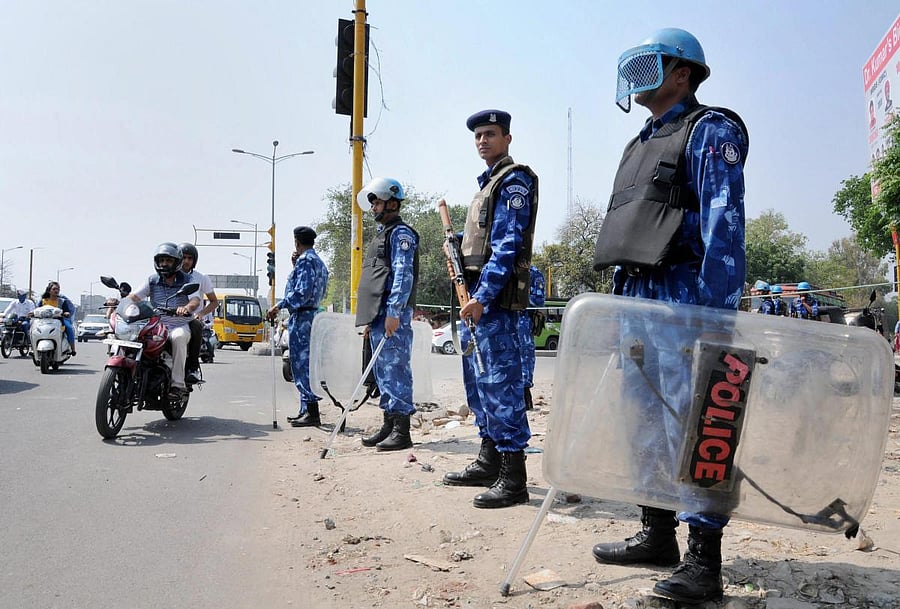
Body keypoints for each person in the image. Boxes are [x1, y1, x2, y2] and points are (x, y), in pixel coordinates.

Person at [590, 28, 749, 604]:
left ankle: (705, 562)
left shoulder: (710, 131)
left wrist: (714, 322)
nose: (635, 77)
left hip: (686, 299)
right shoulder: (639, 143)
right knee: (644, 423)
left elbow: (723, 232)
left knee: (700, 427)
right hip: (638, 300)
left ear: (682, 72)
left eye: (650, 64)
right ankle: (657, 534)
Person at [442, 109, 539, 509]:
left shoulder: (512, 181)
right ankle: (489, 460)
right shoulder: (486, 186)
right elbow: (481, 242)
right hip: (477, 301)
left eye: (490, 134)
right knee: (479, 385)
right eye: (478, 135)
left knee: (502, 388)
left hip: (494, 302)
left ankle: (513, 477)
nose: (483, 140)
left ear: (507, 139)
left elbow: (506, 247)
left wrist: (482, 297)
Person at [354, 177, 420, 451]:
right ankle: (389, 424)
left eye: (377, 202)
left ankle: (402, 431)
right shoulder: (383, 233)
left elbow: (403, 276)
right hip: (378, 316)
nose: (373, 208)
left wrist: (394, 312)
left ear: (392, 203)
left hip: (393, 315)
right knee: (382, 373)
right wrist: (371, 318)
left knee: (395, 370)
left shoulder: (401, 234)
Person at [266, 226, 329, 427]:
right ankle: (305, 410)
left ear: (297, 242)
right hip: (313, 315)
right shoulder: (318, 262)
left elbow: (301, 292)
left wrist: (279, 305)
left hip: (302, 317)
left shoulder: (305, 261)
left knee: (301, 365)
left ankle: (311, 411)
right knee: (307, 363)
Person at [130, 243, 201, 398]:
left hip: (178, 324)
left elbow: (195, 300)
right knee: (132, 337)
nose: (164, 264)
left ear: (176, 262)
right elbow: (135, 297)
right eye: (161, 260)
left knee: (178, 338)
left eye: (168, 261)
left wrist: (187, 308)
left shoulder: (186, 280)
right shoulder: (153, 280)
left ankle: (177, 385)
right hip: (156, 325)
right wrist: (123, 304)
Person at [178, 243, 218, 383]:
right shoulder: (169, 275)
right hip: (169, 317)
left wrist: (200, 314)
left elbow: (214, 301)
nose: (186, 261)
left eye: (190, 258)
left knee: (196, 326)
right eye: (183, 257)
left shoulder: (201, 278)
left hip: (190, 317)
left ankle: (192, 368)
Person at [518, 265, 546, 410]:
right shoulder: (503, 268)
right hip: (503, 320)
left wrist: (518, 298)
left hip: (522, 319)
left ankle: (525, 391)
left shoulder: (533, 273)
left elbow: (538, 300)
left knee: (525, 354)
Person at [39, 281, 78, 355]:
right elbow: (37, 309)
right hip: (43, 321)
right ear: (49, 290)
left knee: (69, 328)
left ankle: (72, 349)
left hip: (59, 321)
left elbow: (67, 311)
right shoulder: (43, 301)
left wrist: (66, 313)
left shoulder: (62, 301)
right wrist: (32, 313)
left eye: (58, 289)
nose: (56, 291)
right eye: (54, 289)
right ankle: (32, 348)